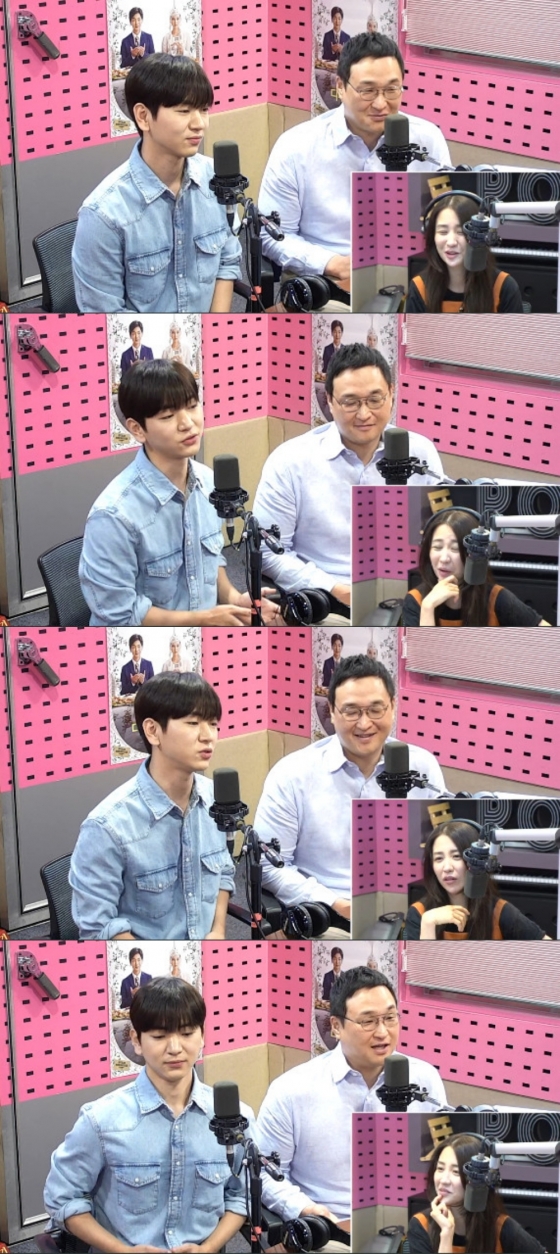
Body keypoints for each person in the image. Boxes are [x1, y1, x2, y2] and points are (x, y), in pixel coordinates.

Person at [44, 978, 255, 1253]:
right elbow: (63, 1199)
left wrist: (209, 1248)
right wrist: (123, 1251)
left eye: (187, 1033)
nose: (175, 1048)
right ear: (136, 1040)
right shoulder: (101, 1121)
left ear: (202, 1035)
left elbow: (240, 1195)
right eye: (159, 1036)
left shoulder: (234, 1117)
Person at [79, 360, 281, 627]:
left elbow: (210, 561)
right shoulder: (113, 515)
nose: (187, 423)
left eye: (192, 406)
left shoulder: (209, 482)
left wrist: (234, 598)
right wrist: (203, 619)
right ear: (137, 429)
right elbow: (120, 614)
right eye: (167, 416)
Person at [255, 655, 447, 925]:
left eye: (375, 709)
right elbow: (269, 867)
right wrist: (337, 905)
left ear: (393, 707)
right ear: (331, 712)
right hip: (327, 914)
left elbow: (442, 849)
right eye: (351, 711)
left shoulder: (422, 767)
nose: (364, 723)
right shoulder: (292, 775)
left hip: (411, 911)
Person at [257, 967, 448, 1237]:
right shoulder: (292, 1091)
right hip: (333, 1230)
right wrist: (305, 1210)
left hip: (412, 1225)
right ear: (336, 1026)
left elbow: (441, 1162)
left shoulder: (424, 1080)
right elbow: (266, 1175)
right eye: (368, 1021)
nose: (383, 1032)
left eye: (390, 1018)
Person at [253, 344, 444, 608]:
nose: (364, 414)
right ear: (329, 401)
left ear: (392, 394)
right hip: (327, 598)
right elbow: (269, 553)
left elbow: (441, 532)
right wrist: (336, 590)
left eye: (375, 400)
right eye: (350, 402)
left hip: (411, 593)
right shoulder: (290, 462)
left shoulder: (420, 453)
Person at [258, 33, 451, 294]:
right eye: (368, 91)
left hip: (412, 278)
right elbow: (273, 236)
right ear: (340, 86)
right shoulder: (296, 147)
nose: (381, 104)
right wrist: (332, 264)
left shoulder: (427, 140)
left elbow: (444, 220)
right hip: (328, 282)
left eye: (392, 89)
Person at [70, 674, 236, 941]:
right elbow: (99, 927)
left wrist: (218, 932)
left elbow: (225, 871)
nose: (209, 737)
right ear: (152, 731)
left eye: (214, 724)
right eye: (193, 723)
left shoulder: (217, 800)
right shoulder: (106, 827)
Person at [72, 55, 241, 313]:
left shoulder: (216, 179)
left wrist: (215, 329)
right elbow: (105, 316)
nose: (200, 124)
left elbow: (227, 262)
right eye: (184, 111)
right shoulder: (103, 214)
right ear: (143, 116)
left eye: (204, 109)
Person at [403, 821, 552, 940]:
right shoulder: (420, 914)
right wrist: (428, 924)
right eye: (438, 859)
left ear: (477, 860)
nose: (447, 867)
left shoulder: (500, 912)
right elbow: (418, 966)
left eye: (456, 856)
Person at [402, 510, 550, 626]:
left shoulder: (496, 598)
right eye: (437, 547)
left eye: (455, 549)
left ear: (474, 554)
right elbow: (422, 654)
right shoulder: (417, 600)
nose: (444, 558)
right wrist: (428, 608)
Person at [407, 1134, 547, 1253]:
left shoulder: (501, 1228)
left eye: (455, 1172)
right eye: (440, 1168)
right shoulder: (421, 1225)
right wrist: (446, 1234)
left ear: (478, 1179)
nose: (443, 1180)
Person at [405, 196, 524, 313]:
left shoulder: (503, 287)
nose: (451, 242)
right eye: (443, 232)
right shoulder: (420, 288)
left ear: (479, 236)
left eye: (461, 232)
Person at [316, 8, 352, 111]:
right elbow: (325, 56)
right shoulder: (327, 36)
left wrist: (342, 50)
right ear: (332, 19)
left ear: (342, 20)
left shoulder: (347, 37)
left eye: (339, 18)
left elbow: (349, 57)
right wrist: (332, 50)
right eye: (335, 18)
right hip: (329, 68)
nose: (337, 21)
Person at [315, 633, 344, 736]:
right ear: (332, 646)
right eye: (335, 645)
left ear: (342, 647)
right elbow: (325, 682)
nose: (337, 648)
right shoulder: (327, 663)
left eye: (339, 645)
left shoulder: (345, 663)